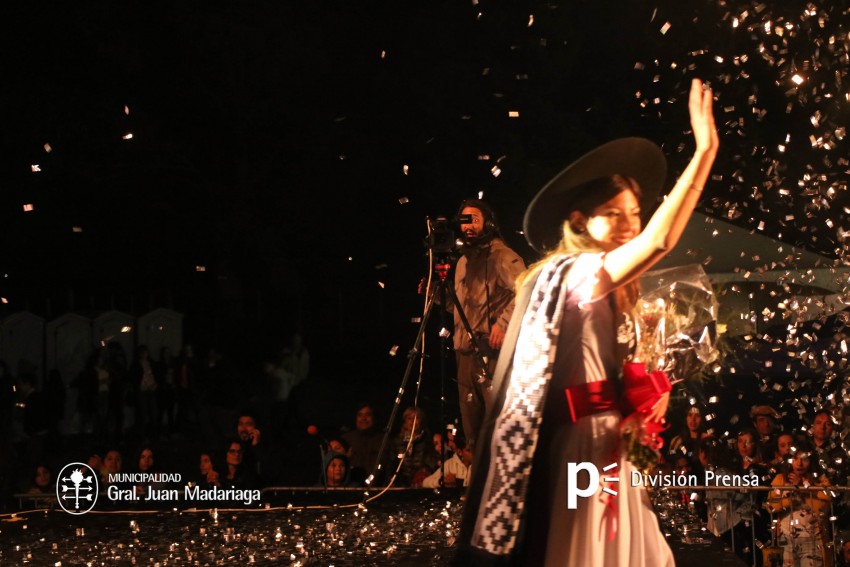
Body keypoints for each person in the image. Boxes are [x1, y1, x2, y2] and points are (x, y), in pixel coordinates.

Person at [457, 79, 718, 566]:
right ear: (579, 221)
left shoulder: (612, 287)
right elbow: (660, 242)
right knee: (592, 551)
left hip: (612, 441)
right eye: (613, 213)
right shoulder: (574, 273)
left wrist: (644, 392)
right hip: (585, 447)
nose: (630, 225)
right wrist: (703, 154)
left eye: (635, 213)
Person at [426, 199, 526, 448]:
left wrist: (503, 324)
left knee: (499, 423)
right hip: (465, 354)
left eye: (475, 219)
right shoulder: (462, 262)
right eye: (464, 220)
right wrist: (437, 295)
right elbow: (460, 309)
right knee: (473, 429)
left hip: (492, 352)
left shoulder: (502, 256)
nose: (468, 226)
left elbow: (527, 291)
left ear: (488, 223)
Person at [765, 441, 832, 567]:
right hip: (786, 539)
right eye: (795, 458)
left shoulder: (819, 481)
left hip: (812, 540)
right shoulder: (780, 478)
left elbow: (823, 506)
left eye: (804, 459)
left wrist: (803, 487)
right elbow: (770, 506)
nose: (799, 463)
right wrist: (791, 497)